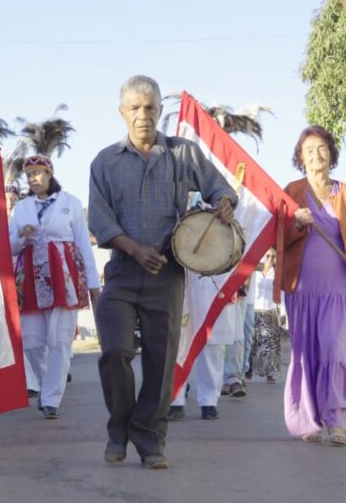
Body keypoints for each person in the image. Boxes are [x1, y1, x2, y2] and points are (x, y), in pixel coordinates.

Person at [88, 75, 236, 469]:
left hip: (168, 273)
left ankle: (150, 440)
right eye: (134, 108)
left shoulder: (183, 153)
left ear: (160, 111)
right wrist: (134, 249)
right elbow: (99, 220)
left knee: (161, 358)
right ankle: (119, 429)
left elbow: (221, 188)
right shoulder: (104, 161)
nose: (143, 115)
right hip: (122, 271)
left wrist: (224, 202)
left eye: (150, 107)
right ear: (122, 112)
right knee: (116, 351)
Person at [281, 126, 346, 447]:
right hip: (302, 288)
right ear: (301, 158)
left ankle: (337, 421)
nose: (316, 155)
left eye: (322, 148)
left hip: (339, 288)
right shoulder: (291, 191)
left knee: (335, 347)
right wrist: (295, 223)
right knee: (306, 353)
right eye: (309, 150)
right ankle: (309, 421)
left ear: (331, 153)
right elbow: (278, 239)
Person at [9, 154, 100, 419]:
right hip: (30, 278)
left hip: (64, 277)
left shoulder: (70, 203)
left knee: (60, 340)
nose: (33, 179)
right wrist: (20, 235)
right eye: (29, 175)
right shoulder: (21, 208)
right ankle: (45, 384)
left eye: (38, 173)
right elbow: (9, 246)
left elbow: (83, 244)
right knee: (32, 342)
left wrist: (93, 283)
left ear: (50, 174)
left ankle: (51, 399)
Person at [249, 248, 286, 384]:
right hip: (255, 310)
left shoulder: (277, 273)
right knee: (252, 343)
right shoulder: (256, 271)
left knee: (271, 346)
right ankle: (248, 370)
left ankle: (271, 374)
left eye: (273, 256)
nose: (270, 259)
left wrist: (283, 313)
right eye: (268, 256)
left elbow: (282, 294)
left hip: (271, 311)